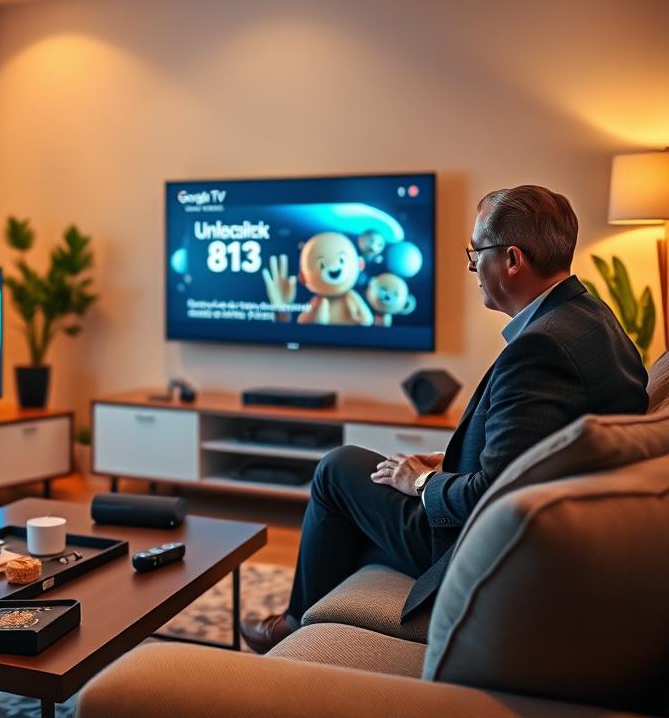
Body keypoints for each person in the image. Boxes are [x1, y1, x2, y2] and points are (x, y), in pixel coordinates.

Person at [241, 184, 650, 654]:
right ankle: (310, 630)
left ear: (512, 260)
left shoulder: (542, 348)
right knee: (354, 507)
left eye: (476, 254)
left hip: (478, 545)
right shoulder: (592, 316)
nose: (472, 268)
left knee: (337, 469)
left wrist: (418, 483)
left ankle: (293, 627)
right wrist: (446, 461)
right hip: (540, 529)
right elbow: (535, 446)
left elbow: (492, 495)